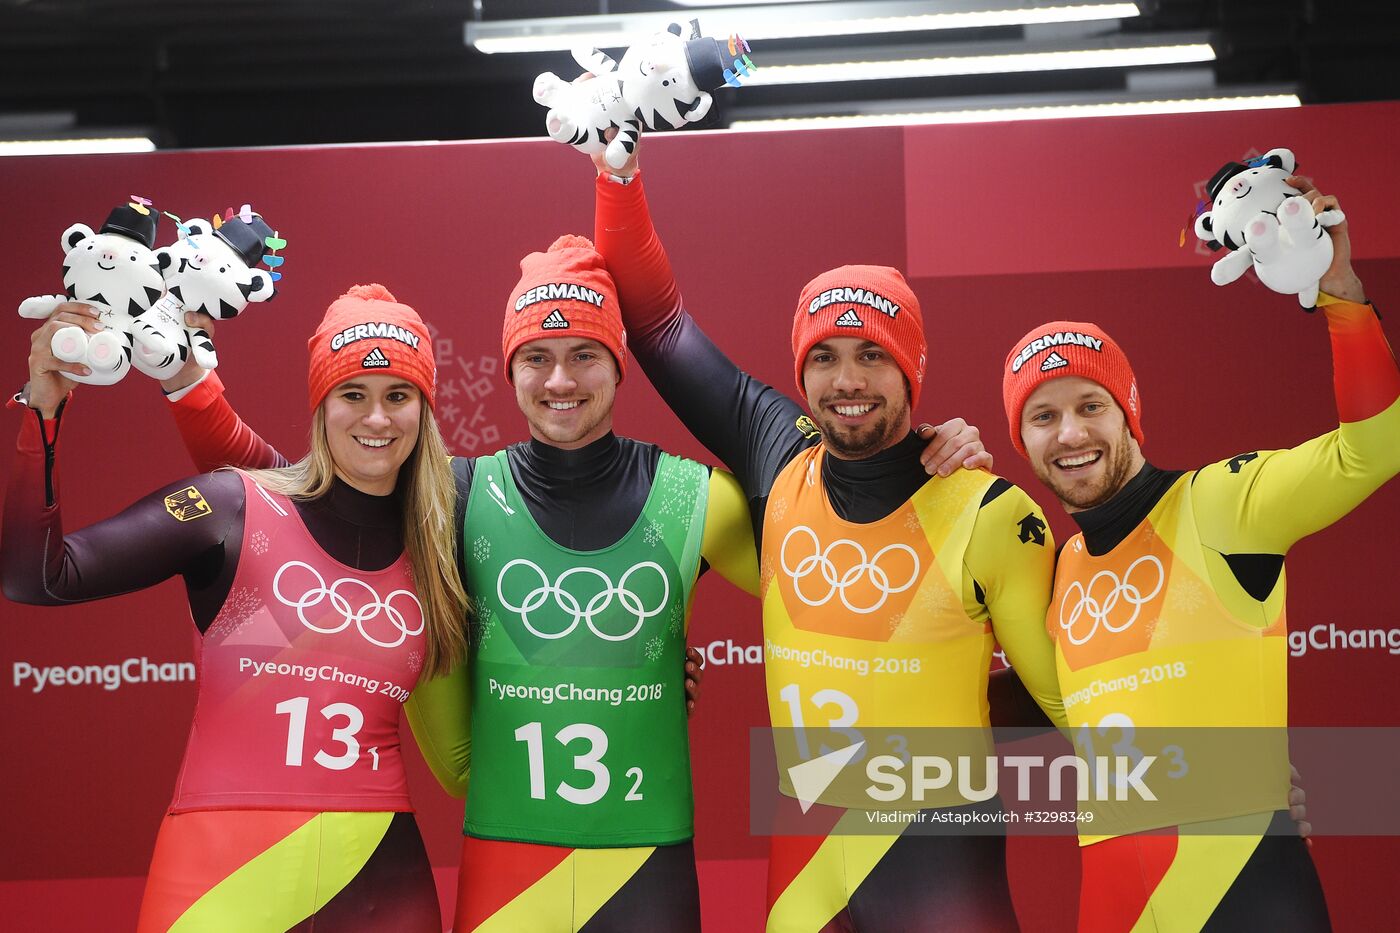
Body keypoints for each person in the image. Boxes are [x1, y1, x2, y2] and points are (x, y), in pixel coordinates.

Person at [590, 143, 1067, 932]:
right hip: (805, 879)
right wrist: (617, 177)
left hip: (942, 877)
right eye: (826, 357)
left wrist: (1242, 784)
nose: (847, 380)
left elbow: (1074, 698)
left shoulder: (989, 510)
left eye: (872, 354)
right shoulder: (778, 455)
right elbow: (657, 326)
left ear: (911, 368)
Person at [2, 267, 465, 930]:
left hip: (379, 880)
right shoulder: (232, 507)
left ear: (423, 409)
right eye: (352, 392)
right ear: (321, 405)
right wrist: (43, 404)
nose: (376, 417)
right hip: (219, 876)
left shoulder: (441, 545)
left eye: (398, 394)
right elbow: (38, 577)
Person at [1000, 177, 1398, 932]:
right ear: (1023, 441)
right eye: (1043, 416)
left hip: (1250, 896)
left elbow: (1372, 451)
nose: (1071, 433)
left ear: (1130, 414)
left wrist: (1341, 295)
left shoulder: (1220, 504)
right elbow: (1025, 704)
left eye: (1091, 405)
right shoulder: (1057, 570)